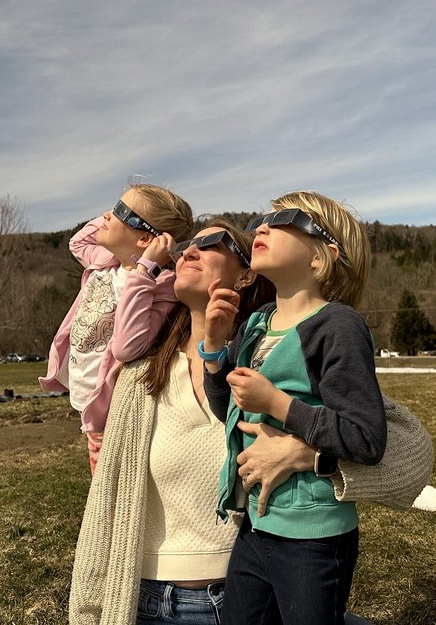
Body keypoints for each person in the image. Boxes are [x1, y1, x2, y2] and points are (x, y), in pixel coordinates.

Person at [70, 218, 326, 625]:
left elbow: (398, 445)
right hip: (144, 601)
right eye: (187, 245)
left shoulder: (276, 359)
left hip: (250, 598)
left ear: (245, 274)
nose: (188, 252)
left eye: (213, 245)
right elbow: (105, 506)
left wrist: (310, 454)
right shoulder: (138, 378)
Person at [202, 191, 387, 625]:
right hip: (254, 524)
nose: (260, 227)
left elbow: (366, 437)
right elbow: (229, 410)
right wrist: (213, 349)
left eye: (284, 219)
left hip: (312, 535)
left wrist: (279, 405)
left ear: (322, 257)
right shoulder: (256, 323)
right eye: (259, 219)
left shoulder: (337, 325)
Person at [40, 183, 194, 471]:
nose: (107, 214)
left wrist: (144, 270)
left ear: (147, 238)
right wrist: (116, 217)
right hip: (84, 396)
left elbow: (127, 347)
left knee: (107, 490)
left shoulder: (161, 286)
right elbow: (78, 242)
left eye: (122, 211)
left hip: (110, 411)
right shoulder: (105, 261)